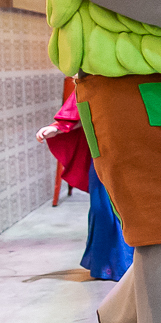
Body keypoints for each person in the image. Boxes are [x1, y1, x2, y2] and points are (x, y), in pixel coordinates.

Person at [37, 92, 133, 281]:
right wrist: (59, 126)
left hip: (134, 146)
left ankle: (132, 265)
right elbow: (81, 102)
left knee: (130, 208)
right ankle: (108, 266)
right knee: (103, 208)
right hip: (103, 150)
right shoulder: (91, 75)